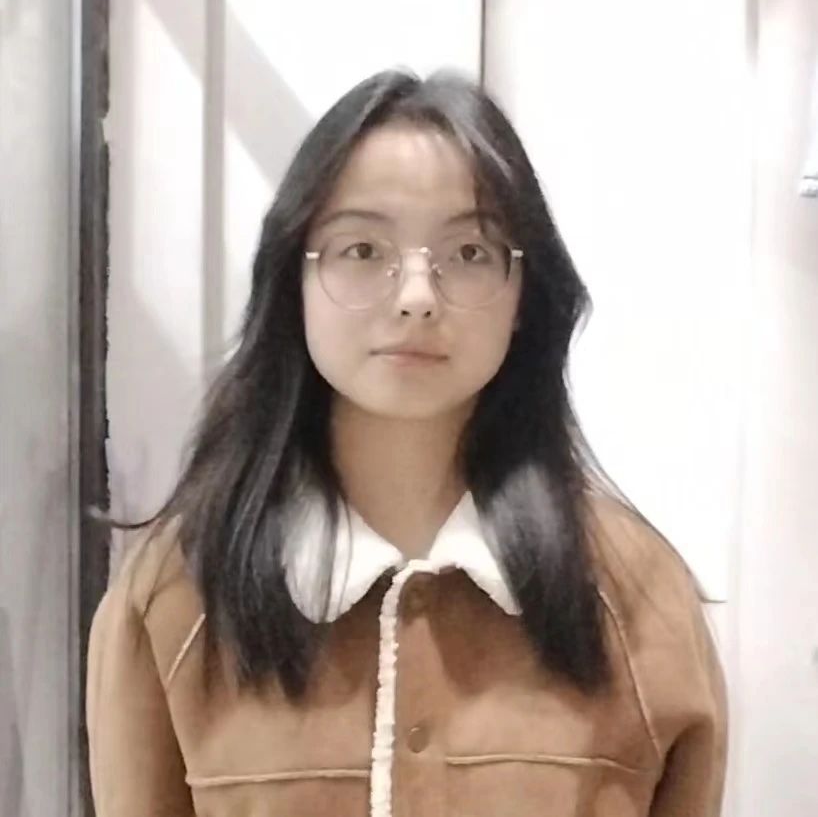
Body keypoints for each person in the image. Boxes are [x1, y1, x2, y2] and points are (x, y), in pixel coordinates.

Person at [87, 69, 727, 817]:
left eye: (470, 253)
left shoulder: (637, 597)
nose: (418, 296)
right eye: (363, 249)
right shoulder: (178, 595)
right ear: (293, 283)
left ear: (525, 298)